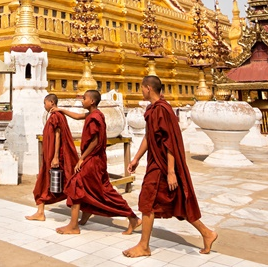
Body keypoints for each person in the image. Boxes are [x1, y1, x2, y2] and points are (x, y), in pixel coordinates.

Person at [123, 75, 217, 258]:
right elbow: (149, 137)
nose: (140, 91)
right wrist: (135, 159)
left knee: (147, 201)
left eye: (141, 88)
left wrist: (171, 171)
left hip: (163, 166)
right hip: (156, 163)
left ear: (148, 88)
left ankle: (144, 246)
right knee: (176, 200)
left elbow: (170, 142)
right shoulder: (154, 110)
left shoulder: (162, 110)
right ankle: (207, 233)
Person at [52, 89, 141, 235]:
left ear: (92, 101)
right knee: (97, 189)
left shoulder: (95, 117)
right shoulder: (94, 114)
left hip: (92, 160)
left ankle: (74, 226)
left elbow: (95, 141)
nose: (82, 101)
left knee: (76, 185)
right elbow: (78, 116)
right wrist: (61, 109)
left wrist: (82, 158)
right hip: (96, 160)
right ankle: (131, 218)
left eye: (84, 98)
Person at [25, 94, 79, 221]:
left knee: (63, 183)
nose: (44, 106)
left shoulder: (56, 116)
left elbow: (58, 136)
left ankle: (75, 214)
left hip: (55, 157)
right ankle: (40, 212)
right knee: (44, 183)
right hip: (49, 156)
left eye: (45, 103)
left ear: (51, 102)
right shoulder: (55, 115)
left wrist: (55, 157)